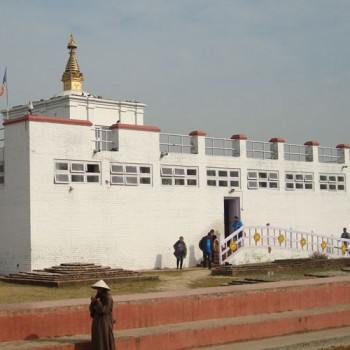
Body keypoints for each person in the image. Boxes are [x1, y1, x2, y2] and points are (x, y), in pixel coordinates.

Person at [89, 280, 116, 350]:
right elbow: (92, 311)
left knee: (104, 338)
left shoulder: (108, 298)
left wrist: (97, 302)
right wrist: (93, 303)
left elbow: (104, 310)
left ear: (103, 289)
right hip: (97, 322)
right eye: (97, 288)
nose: (97, 290)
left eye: (99, 288)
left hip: (105, 322)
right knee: (97, 339)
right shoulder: (98, 297)